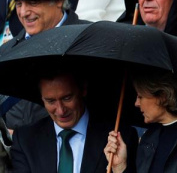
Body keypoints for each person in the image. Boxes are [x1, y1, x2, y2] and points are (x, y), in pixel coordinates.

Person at [0, 0, 90, 132]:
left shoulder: (88, 40)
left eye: (33, 2)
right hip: (18, 154)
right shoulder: (6, 53)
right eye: (19, 3)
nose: (24, 12)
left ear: (59, 0)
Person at [9, 69, 139, 173]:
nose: (60, 111)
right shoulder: (25, 139)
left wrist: (120, 169)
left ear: (83, 89)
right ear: (41, 99)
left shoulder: (119, 138)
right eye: (51, 101)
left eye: (67, 98)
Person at [104, 70, 177, 173]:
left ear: (163, 96)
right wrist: (119, 167)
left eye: (140, 97)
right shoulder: (149, 138)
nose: (136, 103)